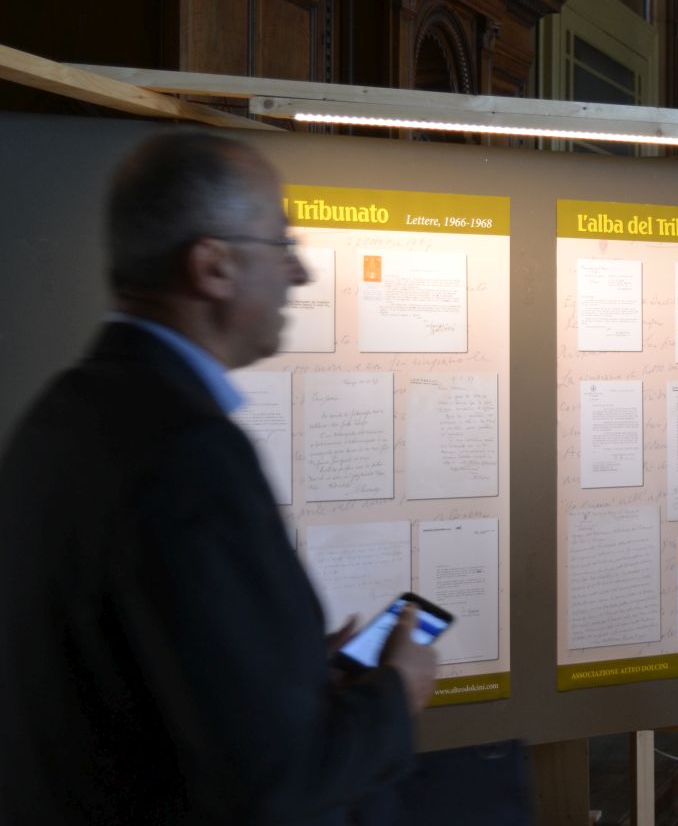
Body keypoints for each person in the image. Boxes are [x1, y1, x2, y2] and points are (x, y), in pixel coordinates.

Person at [0, 133, 436, 823]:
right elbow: (271, 783)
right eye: (282, 243)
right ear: (213, 267)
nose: (300, 273)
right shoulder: (189, 454)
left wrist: (287, 670)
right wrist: (396, 694)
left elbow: (139, 678)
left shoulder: (61, 414)